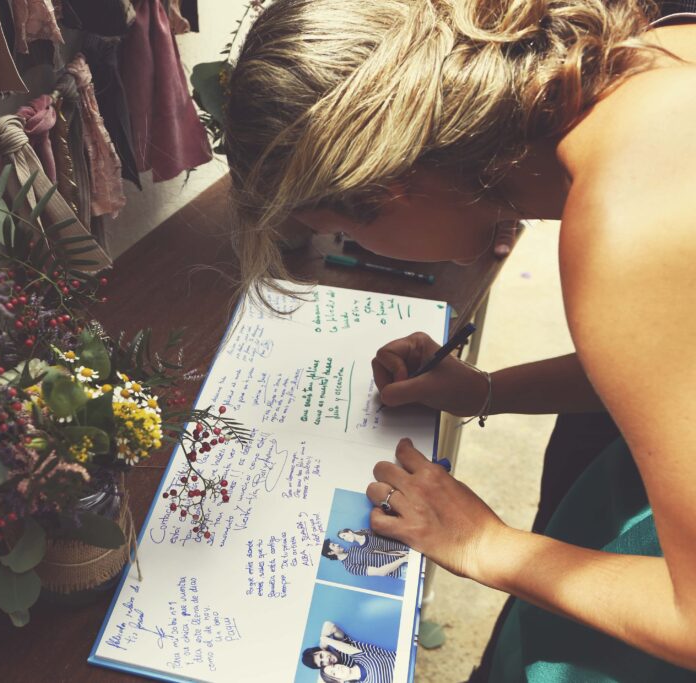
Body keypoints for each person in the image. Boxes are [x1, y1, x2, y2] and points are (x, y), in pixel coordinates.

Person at [224, 0, 696, 679]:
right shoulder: (655, 56)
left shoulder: (628, 222)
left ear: (389, 185)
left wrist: (487, 545)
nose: (356, 247)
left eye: (347, 233)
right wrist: (484, 390)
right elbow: (666, 365)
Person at [301, 620, 396, 683]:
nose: (326, 660)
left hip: (388, 658)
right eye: (322, 663)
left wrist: (323, 645)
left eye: (321, 656)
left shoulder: (343, 647)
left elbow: (329, 626)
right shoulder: (343, 674)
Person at [322, 539, 408, 578]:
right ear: (330, 553)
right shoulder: (350, 567)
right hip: (402, 570)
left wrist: (400, 554)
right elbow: (381, 572)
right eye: (333, 545)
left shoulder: (353, 549)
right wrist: (402, 560)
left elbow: (380, 552)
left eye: (334, 543)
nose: (337, 544)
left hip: (403, 556)